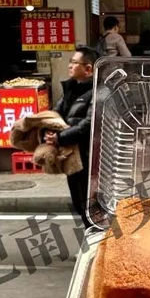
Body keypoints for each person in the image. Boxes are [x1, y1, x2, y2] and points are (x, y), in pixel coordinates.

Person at [46, 46, 97, 223]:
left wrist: (60, 137)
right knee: (78, 203)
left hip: (89, 157)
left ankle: (98, 245)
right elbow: (54, 114)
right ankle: (92, 244)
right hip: (71, 155)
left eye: (74, 63)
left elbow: (88, 124)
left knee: (89, 206)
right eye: (71, 62)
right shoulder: (70, 89)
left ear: (88, 69)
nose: (70, 66)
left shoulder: (99, 91)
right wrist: (48, 131)